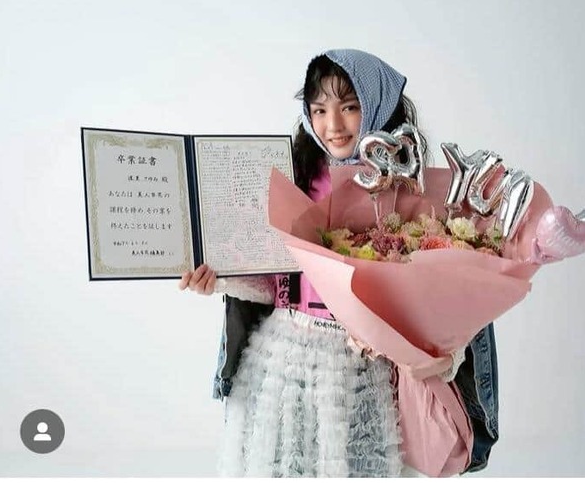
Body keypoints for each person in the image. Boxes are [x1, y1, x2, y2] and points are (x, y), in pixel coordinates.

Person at [179, 49, 499, 476]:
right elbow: (273, 283)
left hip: (364, 369)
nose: (332, 125)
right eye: (319, 110)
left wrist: (437, 351)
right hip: (285, 356)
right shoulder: (293, 174)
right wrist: (220, 279)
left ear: (379, 104)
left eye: (349, 107)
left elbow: (436, 293)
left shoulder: (409, 186)